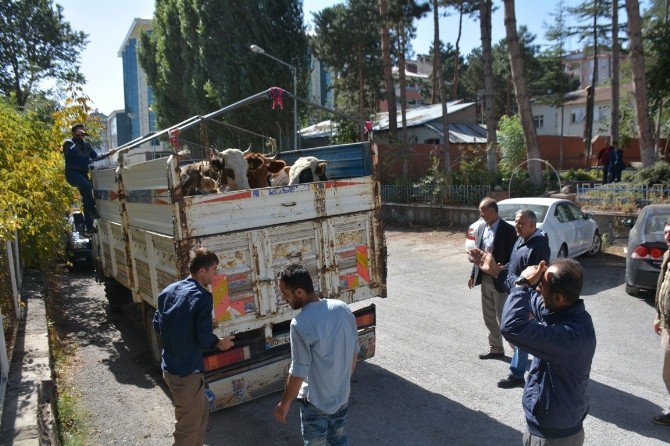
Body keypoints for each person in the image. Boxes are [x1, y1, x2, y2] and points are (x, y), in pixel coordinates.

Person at [472, 250, 596, 446]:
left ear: (558, 298)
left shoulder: (569, 336)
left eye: (542, 285)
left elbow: (512, 327)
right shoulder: (563, 311)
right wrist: (496, 271)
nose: (537, 288)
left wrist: (523, 283)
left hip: (553, 437)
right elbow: (527, 295)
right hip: (551, 428)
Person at [153, 247, 235, 446]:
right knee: (187, 430)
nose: (215, 275)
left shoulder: (168, 291)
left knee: (200, 415)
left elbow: (157, 324)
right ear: (202, 272)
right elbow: (204, 337)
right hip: (186, 373)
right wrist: (221, 343)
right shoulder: (202, 297)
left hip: (172, 366)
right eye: (214, 270)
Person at [274, 263, 359, 445]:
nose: (283, 298)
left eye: (285, 294)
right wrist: (341, 383)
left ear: (299, 292)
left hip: (315, 404)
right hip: (341, 397)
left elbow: (298, 371)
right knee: (339, 441)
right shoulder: (342, 308)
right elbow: (354, 352)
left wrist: (285, 403)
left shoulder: (300, 323)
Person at [494, 209, 551, 389]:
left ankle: (518, 374)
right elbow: (516, 261)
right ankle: (529, 371)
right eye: (516, 222)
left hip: (528, 300)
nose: (517, 226)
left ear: (533, 225)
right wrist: (505, 267)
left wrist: (530, 308)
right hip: (517, 294)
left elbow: (536, 276)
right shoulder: (521, 239)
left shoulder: (539, 246)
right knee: (526, 339)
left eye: (521, 223)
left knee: (525, 338)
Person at [468, 197, 517, 360]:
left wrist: (505, 268)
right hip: (485, 278)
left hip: (500, 279)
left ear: (492, 211)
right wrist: (472, 274)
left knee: (504, 317)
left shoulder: (508, 230)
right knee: (488, 316)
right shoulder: (481, 228)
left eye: (483, 211)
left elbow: (515, 257)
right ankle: (496, 348)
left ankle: (518, 353)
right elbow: (479, 253)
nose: (481, 214)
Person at [62, 123, 116, 234]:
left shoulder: (87, 145)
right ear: (74, 132)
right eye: (79, 130)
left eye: (83, 131)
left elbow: (95, 157)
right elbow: (70, 152)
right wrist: (78, 140)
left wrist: (108, 154)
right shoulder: (68, 143)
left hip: (82, 174)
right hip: (72, 174)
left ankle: (89, 227)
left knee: (87, 198)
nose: (82, 132)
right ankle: (92, 211)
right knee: (88, 186)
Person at [652, 218, 670, 426]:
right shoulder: (667, 254)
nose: (668, 236)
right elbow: (663, 287)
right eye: (666, 232)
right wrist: (658, 316)